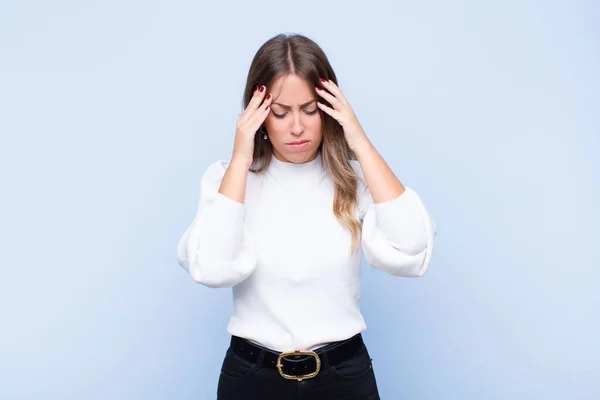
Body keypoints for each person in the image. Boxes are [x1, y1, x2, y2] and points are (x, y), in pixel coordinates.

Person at [176, 33, 437, 400]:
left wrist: (358, 141)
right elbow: (212, 268)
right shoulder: (229, 181)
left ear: (330, 109)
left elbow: (413, 249)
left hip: (343, 378)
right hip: (251, 379)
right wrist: (240, 158)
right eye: (280, 113)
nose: (296, 127)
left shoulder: (357, 182)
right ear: (258, 114)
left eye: (310, 110)